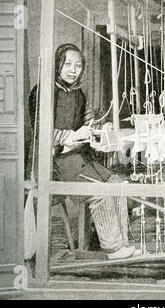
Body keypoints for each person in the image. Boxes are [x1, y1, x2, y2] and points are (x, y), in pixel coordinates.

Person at [27, 43, 136, 260]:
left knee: (116, 184)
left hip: (77, 158)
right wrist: (70, 136)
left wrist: (99, 129)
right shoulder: (43, 91)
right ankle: (113, 248)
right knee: (100, 192)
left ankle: (123, 242)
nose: (73, 70)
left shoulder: (79, 94)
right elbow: (40, 130)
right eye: (67, 64)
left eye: (78, 65)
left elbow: (89, 123)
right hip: (52, 161)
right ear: (58, 65)